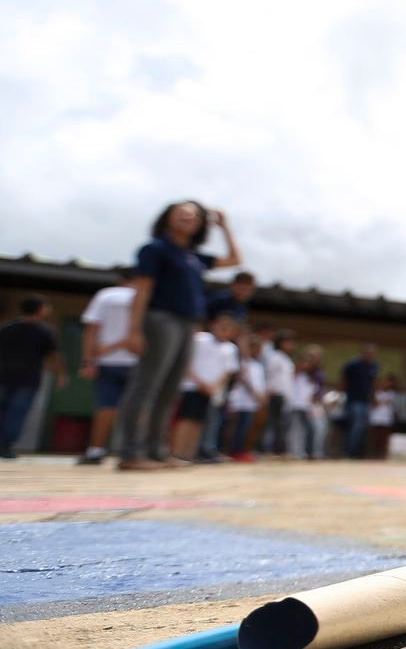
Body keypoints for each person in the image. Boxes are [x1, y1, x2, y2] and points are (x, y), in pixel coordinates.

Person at [117, 202, 242, 471]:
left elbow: (235, 260)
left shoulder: (194, 257)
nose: (188, 216)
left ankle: (158, 452)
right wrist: (134, 329)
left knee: (170, 390)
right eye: (181, 212)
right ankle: (131, 453)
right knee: (147, 386)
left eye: (195, 215)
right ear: (167, 218)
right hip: (161, 319)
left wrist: (225, 227)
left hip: (189, 324)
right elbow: (144, 289)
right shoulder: (155, 249)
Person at [77, 270, 138, 465]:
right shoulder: (149, 297)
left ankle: (95, 451)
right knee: (139, 408)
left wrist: (88, 360)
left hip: (107, 361)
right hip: (139, 362)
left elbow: (91, 329)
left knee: (106, 407)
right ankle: (134, 451)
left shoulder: (105, 295)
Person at [0, 295, 66, 460]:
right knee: (17, 414)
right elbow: (54, 356)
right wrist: (60, 375)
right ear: (40, 310)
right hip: (28, 379)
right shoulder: (46, 331)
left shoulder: (6, 327)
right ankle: (5, 447)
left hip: (2, 375)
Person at [173, 314, 241, 462]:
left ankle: (190, 454)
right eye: (221, 326)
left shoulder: (230, 348)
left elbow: (227, 371)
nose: (224, 331)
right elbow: (186, 361)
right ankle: (178, 453)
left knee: (199, 421)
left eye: (228, 328)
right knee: (186, 419)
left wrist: (214, 386)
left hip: (212, 390)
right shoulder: (200, 339)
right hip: (191, 386)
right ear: (213, 325)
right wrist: (200, 382)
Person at [226, 334, 266, 462]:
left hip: (252, 402)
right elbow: (245, 380)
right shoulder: (243, 363)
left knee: (247, 427)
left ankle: (243, 450)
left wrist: (260, 396)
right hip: (240, 401)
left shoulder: (257, 365)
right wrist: (255, 394)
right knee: (239, 427)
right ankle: (235, 451)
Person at [260, 329, 297, 456]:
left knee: (281, 425)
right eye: (289, 342)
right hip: (275, 394)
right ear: (281, 343)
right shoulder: (275, 357)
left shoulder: (287, 359)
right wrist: (270, 391)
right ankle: (268, 450)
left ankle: (279, 450)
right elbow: (269, 375)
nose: (292, 345)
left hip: (285, 396)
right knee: (274, 424)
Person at [340, 343, 379, 458]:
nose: (371, 355)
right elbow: (343, 380)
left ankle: (358, 452)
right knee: (355, 426)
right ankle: (349, 452)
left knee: (363, 427)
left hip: (365, 401)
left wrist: (374, 398)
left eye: (373, 354)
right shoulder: (352, 364)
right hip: (353, 400)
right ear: (363, 353)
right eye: (369, 353)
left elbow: (372, 384)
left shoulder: (373, 366)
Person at [286, 346, 321, 460]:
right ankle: (294, 452)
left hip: (305, 406)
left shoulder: (307, 377)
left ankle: (302, 451)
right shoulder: (291, 374)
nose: (306, 365)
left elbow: (309, 394)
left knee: (305, 430)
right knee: (294, 430)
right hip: (294, 406)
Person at [369, 374, 398, 459]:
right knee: (374, 437)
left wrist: (381, 402)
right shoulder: (375, 393)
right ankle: (373, 453)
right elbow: (374, 403)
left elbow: (389, 403)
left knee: (384, 437)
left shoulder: (392, 393)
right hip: (375, 418)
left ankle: (382, 453)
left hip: (387, 418)